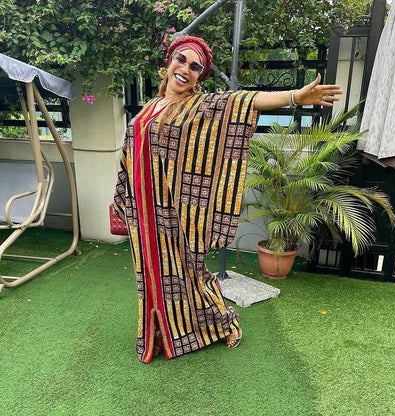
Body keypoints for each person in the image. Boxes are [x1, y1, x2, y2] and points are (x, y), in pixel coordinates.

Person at [112, 35, 343, 364]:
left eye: (195, 67)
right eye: (181, 60)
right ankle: (160, 332)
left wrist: (294, 96)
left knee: (188, 273)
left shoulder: (199, 106)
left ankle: (223, 322)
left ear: (199, 77)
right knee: (150, 275)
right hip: (142, 212)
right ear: (168, 63)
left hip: (174, 212)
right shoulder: (149, 107)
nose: (185, 69)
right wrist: (123, 198)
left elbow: (244, 101)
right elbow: (130, 154)